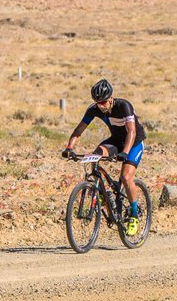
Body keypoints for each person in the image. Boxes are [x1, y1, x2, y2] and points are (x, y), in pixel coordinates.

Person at [61, 78, 147, 236]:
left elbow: (132, 132)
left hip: (134, 142)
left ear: (111, 98)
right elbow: (79, 130)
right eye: (97, 103)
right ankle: (101, 192)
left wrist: (125, 153)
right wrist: (69, 147)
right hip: (115, 140)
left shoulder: (124, 106)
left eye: (104, 102)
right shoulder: (94, 109)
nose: (101, 106)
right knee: (95, 156)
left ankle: (134, 215)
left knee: (126, 177)